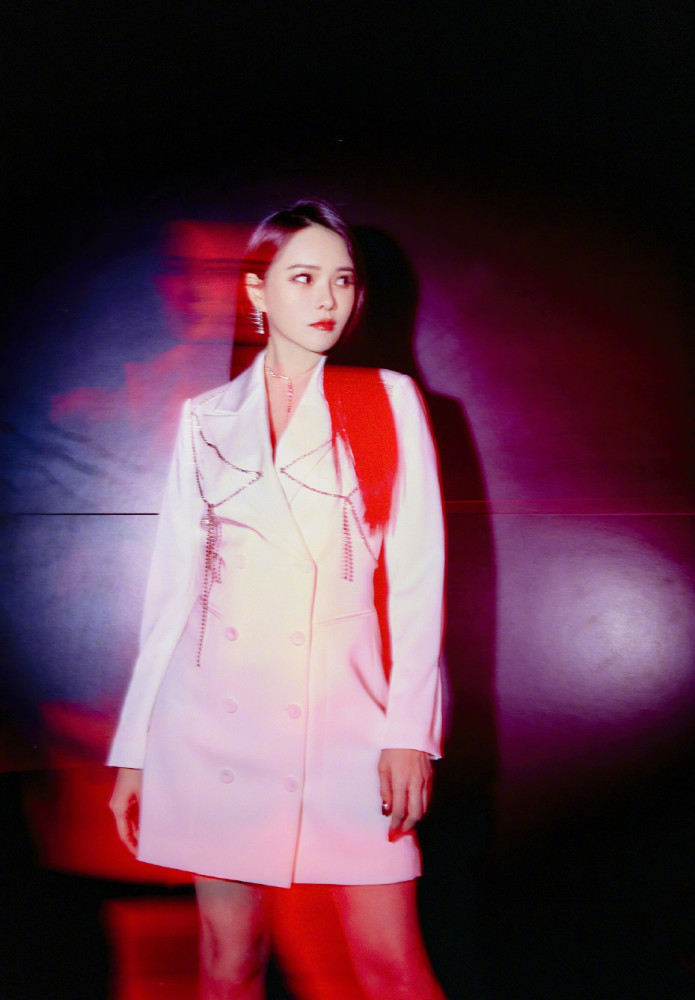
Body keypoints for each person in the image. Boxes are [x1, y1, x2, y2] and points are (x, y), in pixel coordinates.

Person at [108, 200, 446, 1000]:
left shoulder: (388, 399)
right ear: (258, 291)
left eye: (343, 280)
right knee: (227, 962)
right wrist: (134, 748)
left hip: (346, 726)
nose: (328, 298)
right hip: (211, 730)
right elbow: (173, 594)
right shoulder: (205, 418)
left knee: (390, 966)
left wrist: (410, 733)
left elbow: (418, 580)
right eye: (304, 278)